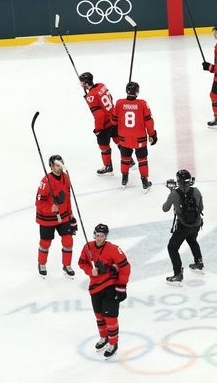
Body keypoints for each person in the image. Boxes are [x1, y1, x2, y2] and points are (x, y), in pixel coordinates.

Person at [78, 224, 131, 359]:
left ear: (106, 236)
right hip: (95, 287)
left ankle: (113, 343)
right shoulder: (88, 247)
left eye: (102, 236)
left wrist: (121, 286)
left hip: (111, 286)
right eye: (97, 235)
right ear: (94, 234)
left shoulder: (113, 249)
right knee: (99, 316)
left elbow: (125, 267)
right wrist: (91, 271)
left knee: (110, 316)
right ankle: (104, 337)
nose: (99, 238)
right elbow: (82, 262)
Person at [35, 155, 77, 278]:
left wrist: (71, 214)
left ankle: (67, 265)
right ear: (51, 166)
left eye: (61, 165)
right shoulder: (45, 181)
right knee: (45, 243)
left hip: (63, 216)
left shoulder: (65, 177)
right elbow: (38, 202)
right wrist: (50, 208)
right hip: (46, 218)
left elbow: (68, 198)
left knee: (68, 241)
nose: (59, 168)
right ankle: (41, 264)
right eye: (57, 165)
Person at [112, 82, 157, 191]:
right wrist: (152, 134)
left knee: (125, 158)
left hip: (123, 137)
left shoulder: (119, 103)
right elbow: (149, 121)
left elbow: (113, 120)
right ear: (137, 92)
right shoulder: (142, 104)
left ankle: (124, 179)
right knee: (142, 160)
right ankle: (145, 182)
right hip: (139, 138)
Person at [162, 170, 204, 284]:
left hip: (183, 226)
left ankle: (178, 274)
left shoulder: (174, 194)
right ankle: (199, 263)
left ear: (178, 181)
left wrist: (172, 194)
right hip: (196, 224)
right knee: (192, 240)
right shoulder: (196, 191)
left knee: (172, 248)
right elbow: (201, 207)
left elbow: (165, 208)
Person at [80, 72, 118, 176]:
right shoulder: (101, 85)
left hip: (105, 125)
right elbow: (111, 98)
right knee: (118, 140)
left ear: (86, 84)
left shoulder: (91, 96)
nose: (81, 84)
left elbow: (99, 115)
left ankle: (108, 166)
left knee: (104, 146)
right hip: (114, 118)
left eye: (82, 83)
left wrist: (98, 129)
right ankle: (129, 160)